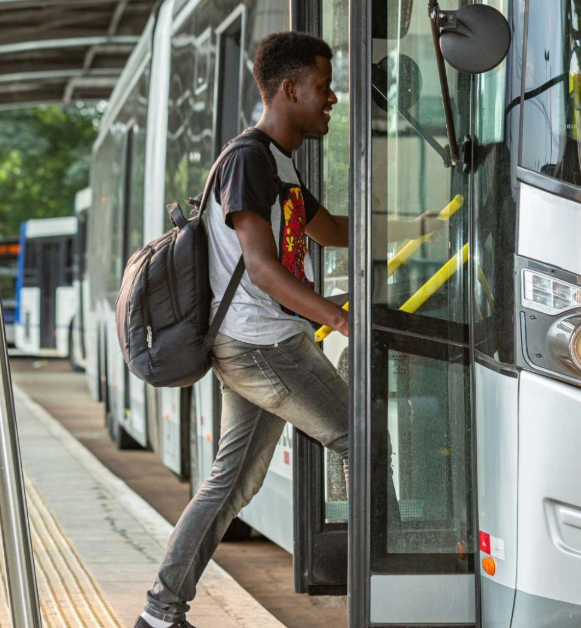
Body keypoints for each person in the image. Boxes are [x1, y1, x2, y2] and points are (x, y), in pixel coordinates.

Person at [136, 32, 437, 628]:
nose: (332, 98)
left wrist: (419, 225)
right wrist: (339, 318)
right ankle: (390, 599)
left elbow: (331, 231)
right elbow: (261, 268)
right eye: (324, 87)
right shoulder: (248, 160)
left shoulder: (278, 163)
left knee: (229, 486)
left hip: (255, 343)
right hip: (261, 344)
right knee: (363, 441)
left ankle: (159, 616)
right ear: (289, 89)